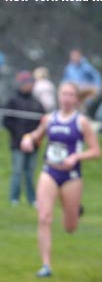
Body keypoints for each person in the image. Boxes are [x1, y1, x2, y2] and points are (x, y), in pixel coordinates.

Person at [20, 82, 101, 277]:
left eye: (70, 95)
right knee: (44, 217)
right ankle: (46, 265)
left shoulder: (82, 122)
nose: (66, 98)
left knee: (70, 227)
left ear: (76, 99)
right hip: (50, 171)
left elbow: (96, 151)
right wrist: (27, 139)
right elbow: (36, 137)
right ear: (59, 96)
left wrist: (76, 157)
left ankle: (73, 210)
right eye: (63, 94)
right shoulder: (49, 119)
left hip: (71, 176)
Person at [3, 70, 44, 207]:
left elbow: (43, 122)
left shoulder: (37, 103)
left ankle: (32, 199)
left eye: (31, 83)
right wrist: (18, 136)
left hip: (33, 144)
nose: (29, 85)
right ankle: (14, 198)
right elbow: (7, 121)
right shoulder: (13, 101)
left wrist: (36, 138)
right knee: (17, 171)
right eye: (27, 83)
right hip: (17, 143)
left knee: (30, 173)